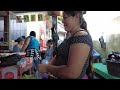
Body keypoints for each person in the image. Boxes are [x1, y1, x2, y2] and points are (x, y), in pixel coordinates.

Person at [38, 11, 93, 79]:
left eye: (65, 18)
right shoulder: (70, 36)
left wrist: (47, 68)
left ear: (77, 17)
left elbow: (71, 73)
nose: (63, 21)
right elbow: (59, 55)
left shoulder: (81, 37)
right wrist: (48, 66)